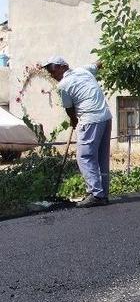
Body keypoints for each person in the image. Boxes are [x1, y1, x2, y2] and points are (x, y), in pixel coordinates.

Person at [42, 56, 113, 207]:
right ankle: (103, 194)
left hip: (90, 120)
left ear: (63, 67)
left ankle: (96, 194)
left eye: (53, 71)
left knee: (85, 157)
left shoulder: (63, 85)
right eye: (50, 72)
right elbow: (98, 64)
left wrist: (74, 121)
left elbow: (69, 109)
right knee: (101, 157)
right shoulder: (84, 70)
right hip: (105, 118)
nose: (52, 75)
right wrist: (110, 54)